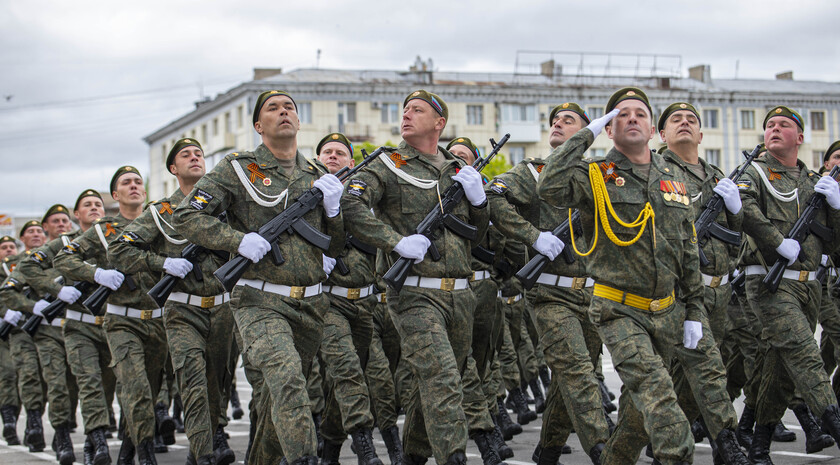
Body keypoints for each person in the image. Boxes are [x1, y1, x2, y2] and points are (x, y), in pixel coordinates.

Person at [171, 90, 345, 465]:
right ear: (258, 125)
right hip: (259, 300)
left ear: (298, 122)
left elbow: (338, 242)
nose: (283, 112)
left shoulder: (317, 175)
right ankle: (304, 459)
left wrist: (334, 209)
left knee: (274, 402)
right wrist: (236, 240)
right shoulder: (237, 168)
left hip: (310, 304)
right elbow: (185, 215)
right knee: (288, 380)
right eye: (273, 108)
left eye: (290, 108)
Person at [538, 87, 703, 465]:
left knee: (636, 421)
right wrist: (585, 134)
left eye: (640, 114)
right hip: (618, 310)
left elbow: (687, 248)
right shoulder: (596, 174)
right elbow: (548, 187)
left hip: (666, 312)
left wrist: (694, 310)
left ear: (651, 128)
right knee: (661, 400)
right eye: (620, 114)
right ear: (609, 130)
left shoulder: (671, 178)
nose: (631, 118)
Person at [340, 90, 490, 465]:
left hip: (460, 295)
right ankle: (454, 458)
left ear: (439, 123)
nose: (406, 114)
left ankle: (413, 457)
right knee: (442, 382)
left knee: (438, 385)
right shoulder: (387, 164)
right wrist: (395, 241)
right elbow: (349, 203)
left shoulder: (458, 169)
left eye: (417, 110)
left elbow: (479, 233)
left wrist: (479, 202)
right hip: (414, 294)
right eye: (404, 109)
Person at [487, 102, 611, 465]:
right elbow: (493, 198)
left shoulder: (600, 176)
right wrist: (534, 236)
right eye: (554, 120)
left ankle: (549, 449)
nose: (557, 124)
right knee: (577, 371)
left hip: (592, 293)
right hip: (549, 293)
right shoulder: (532, 171)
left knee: (572, 377)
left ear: (587, 132)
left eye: (568, 120)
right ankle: (605, 449)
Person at [109, 139, 235, 465]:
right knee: (191, 381)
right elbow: (120, 250)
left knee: (215, 386)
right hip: (182, 308)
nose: (195, 158)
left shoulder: (227, 205)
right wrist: (161, 264)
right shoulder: (162, 212)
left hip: (222, 308)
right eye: (185, 155)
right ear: (173, 169)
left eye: (199, 154)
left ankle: (198, 452)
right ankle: (205, 455)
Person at [738, 106, 840, 464]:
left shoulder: (814, 181)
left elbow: (836, 245)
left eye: (784, 125)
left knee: (780, 369)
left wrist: (838, 207)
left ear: (800, 137)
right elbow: (745, 208)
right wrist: (776, 241)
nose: (774, 129)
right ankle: (835, 425)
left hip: (810, 287)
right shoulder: (754, 172)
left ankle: (758, 446)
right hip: (770, 283)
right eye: (769, 125)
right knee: (805, 355)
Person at [653, 102, 753, 465]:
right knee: (709, 368)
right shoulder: (654, 170)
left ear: (700, 133)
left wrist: (737, 208)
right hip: (681, 292)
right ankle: (727, 445)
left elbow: (738, 238)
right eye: (674, 120)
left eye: (691, 120)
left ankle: (657, 434)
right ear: (662, 134)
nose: (684, 123)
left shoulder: (717, 177)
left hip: (721, 289)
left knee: (689, 376)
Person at [55, 166, 168, 465]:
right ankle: (145, 454)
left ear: (144, 191)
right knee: (136, 388)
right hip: (121, 320)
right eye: (125, 183)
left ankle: (128, 451)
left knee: (151, 390)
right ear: (115, 195)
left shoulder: (161, 222)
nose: (133, 186)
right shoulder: (103, 231)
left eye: (138, 182)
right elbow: (63, 257)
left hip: (158, 321)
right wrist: (97, 274)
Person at [313, 132, 392, 465]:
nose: (333, 156)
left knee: (368, 381)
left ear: (352, 161)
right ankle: (365, 445)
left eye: (340, 152)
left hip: (367, 304)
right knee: (346, 371)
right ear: (317, 160)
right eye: (327, 152)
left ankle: (330, 446)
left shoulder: (365, 198)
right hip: (328, 303)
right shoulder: (308, 197)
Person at [16, 204, 82, 465]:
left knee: (73, 384)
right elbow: (10, 290)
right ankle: (60, 433)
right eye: (55, 221)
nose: (62, 225)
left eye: (65, 220)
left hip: (78, 327)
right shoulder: (36, 258)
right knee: (53, 384)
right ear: (46, 228)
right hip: (47, 331)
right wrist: (34, 305)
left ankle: (64, 425)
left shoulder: (80, 250)